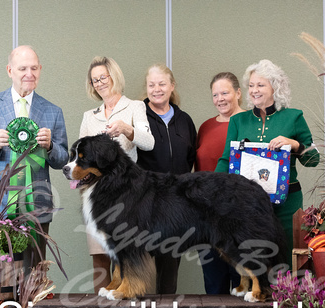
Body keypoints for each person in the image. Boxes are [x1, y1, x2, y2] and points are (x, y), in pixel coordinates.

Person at [0, 45, 69, 267]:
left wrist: (50, 146)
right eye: (22, 68)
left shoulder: (53, 111)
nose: (29, 74)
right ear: (10, 70)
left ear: (40, 69)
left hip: (36, 206)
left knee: (34, 274)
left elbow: (63, 161)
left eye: (34, 68)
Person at [214, 60, 320, 269]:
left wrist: (295, 144)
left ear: (275, 87)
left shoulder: (294, 117)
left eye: (260, 85)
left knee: (287, 257)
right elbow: (227, 159)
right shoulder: (238, 121)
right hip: (248, 203)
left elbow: (313, 159)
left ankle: (288, 300)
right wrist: (215, 189)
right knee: (254, 257)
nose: (254, 90)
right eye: (251, 85)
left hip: (287, 202)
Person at [79, 56, 154, 294]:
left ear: (114, 77)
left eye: (103, 77)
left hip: (127, 194)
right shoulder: (89, 116)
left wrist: (126, 129)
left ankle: (134, 303)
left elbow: (149, 143)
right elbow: (80, 158)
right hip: (96, 196)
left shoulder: (135, 107)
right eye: (95, 80)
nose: (99, 83)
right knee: (100, 257)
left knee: (129, 251)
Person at [138, 63, 197, 294]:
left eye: (162, 84)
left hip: (175, 204)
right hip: (143, 203)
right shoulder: (138, 115)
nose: (156, 89)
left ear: (172, 86)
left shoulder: (185, 120)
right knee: (138, 261)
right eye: (151, 85)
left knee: (170, 263)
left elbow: (191, 158)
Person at [196, 72, 245, 294]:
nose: (220, 99)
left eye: (225, 92)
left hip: (239, 214)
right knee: (213, 280)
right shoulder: (205, 127)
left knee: (242, 278)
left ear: (238, 93)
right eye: (215, 94)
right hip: (207, 214)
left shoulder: (252, 124)